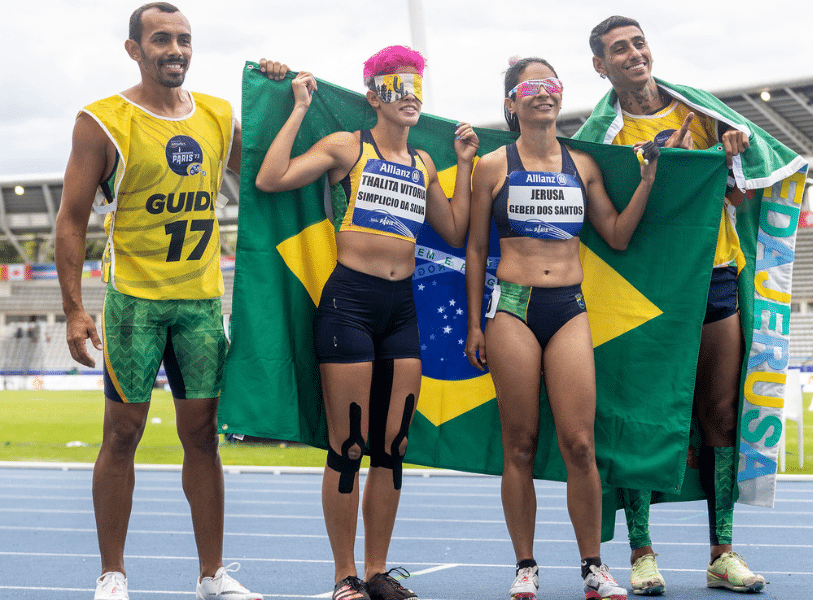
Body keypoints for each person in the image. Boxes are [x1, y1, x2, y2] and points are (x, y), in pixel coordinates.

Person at [54, 4, 288, 600]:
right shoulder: (103, 120)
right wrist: (75, 309)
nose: (176, 49)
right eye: (162, 39)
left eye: (184, 39)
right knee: (122, 434)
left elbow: (271, 172)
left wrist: (280, 99)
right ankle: (112, 573)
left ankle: (212, 576)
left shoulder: (215, 114)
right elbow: (70, 222)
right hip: (134, 303)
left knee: (203, 435)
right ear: (134, 49)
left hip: (202, 304)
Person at [254, 46, 478, 600]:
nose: (412, 98)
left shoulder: (424, 163)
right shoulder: (347, 147)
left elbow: (453, 229)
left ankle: (377, 571)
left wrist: (466, 165)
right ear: (375, 95)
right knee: (348, 444)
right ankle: (344, 575)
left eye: (418, 87)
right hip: (349, 303)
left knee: (394, 444)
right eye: (399, 87)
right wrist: (300, 106)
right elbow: (270, 177)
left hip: (402, 309)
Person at [574, 15, 768, 595]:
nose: (633, 53)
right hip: (643, 292)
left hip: (713, 276)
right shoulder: (599, 138)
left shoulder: (703, 114)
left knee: (719, 413)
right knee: (640, 415)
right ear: (600, 65)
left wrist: (734, 152)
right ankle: (641, 553)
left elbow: (736, 192)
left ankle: (722, 552)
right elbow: (596, 224)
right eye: (618, 49)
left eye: (638, 43)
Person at [464, 57, 660, 600]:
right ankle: (525, 565)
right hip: (513, 309)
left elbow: (617, 235)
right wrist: (476, 325)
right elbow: (476, 246)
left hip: (569, 307)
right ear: (512, 103)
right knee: (519, 444)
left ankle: (593, 567)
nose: (543, 93)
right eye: (530, 86)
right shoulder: (491, 166)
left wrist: (645, 180)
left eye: (550, 83)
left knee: (579, 443)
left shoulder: (584, 165)